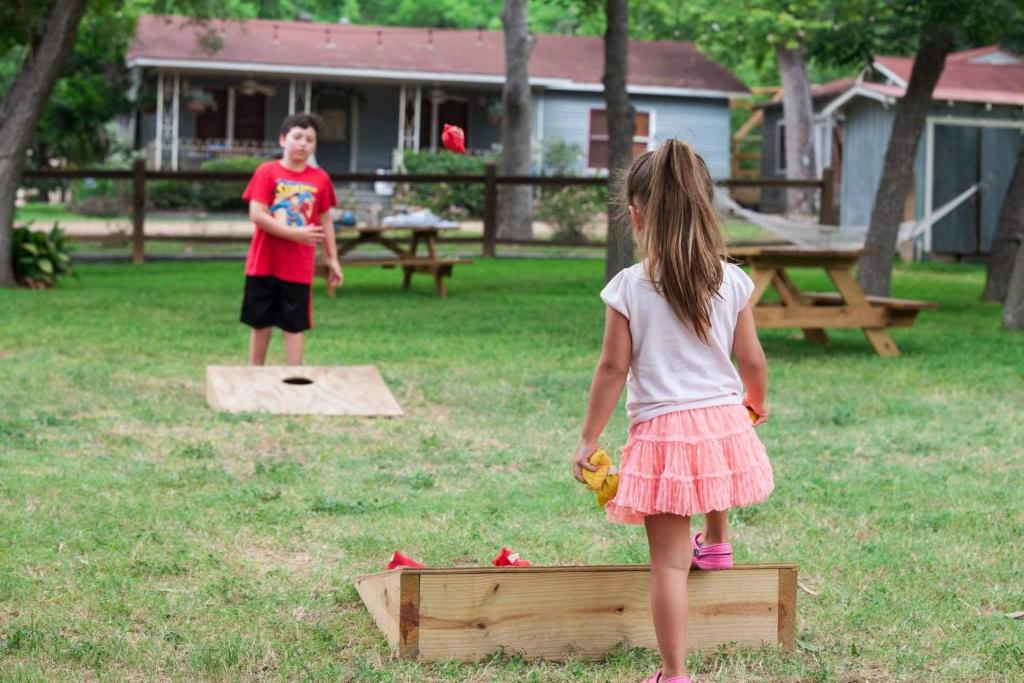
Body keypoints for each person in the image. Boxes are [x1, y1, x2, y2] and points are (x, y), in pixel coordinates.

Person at [571, 139, 774, 683]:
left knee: (667, 561)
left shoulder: (630, 287)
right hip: (723, 419)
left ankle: (674, 673)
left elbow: (613, 369)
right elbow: (750, 358)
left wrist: (589, 438)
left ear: (636, 216)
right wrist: (755, 400)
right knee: (709, 478)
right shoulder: (731, 280)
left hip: (665, 430)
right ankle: (720, 543)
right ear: (706, 209)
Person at [239, 113, 343, 365]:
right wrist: (294, 234)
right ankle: (255, 375)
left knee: (294, 325)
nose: (302, 143)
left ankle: (293, 378)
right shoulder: (267, 172)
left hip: (297, 267)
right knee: (260, 322)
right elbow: (257, 214)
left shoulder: (320, 179)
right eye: (297, 137)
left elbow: (325, 219)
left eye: (309, 139)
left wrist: (332, 258)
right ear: (283, 139)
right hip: (263, 263)